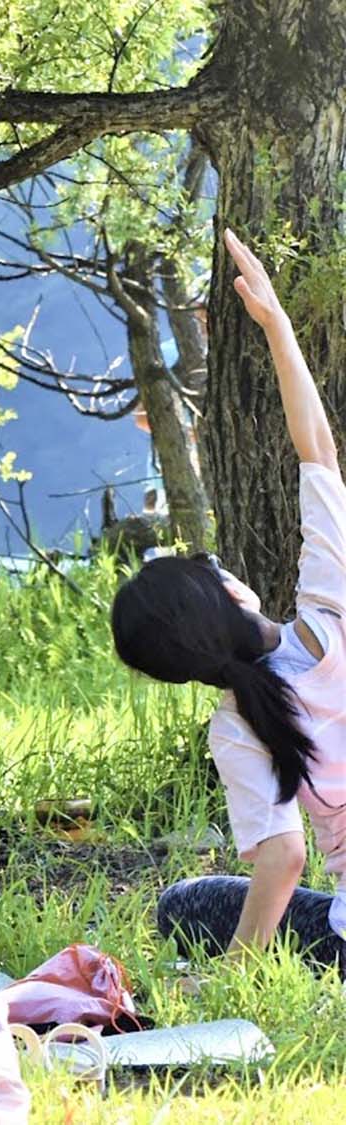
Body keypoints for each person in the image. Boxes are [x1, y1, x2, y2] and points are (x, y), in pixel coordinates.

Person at [117, 230, 346, 974]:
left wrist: (237, 977)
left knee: (186, 902)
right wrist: (276, 324)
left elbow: (282, 859)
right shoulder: (332, 599)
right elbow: (317, 449)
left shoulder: (239, 721)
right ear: (231, 591)